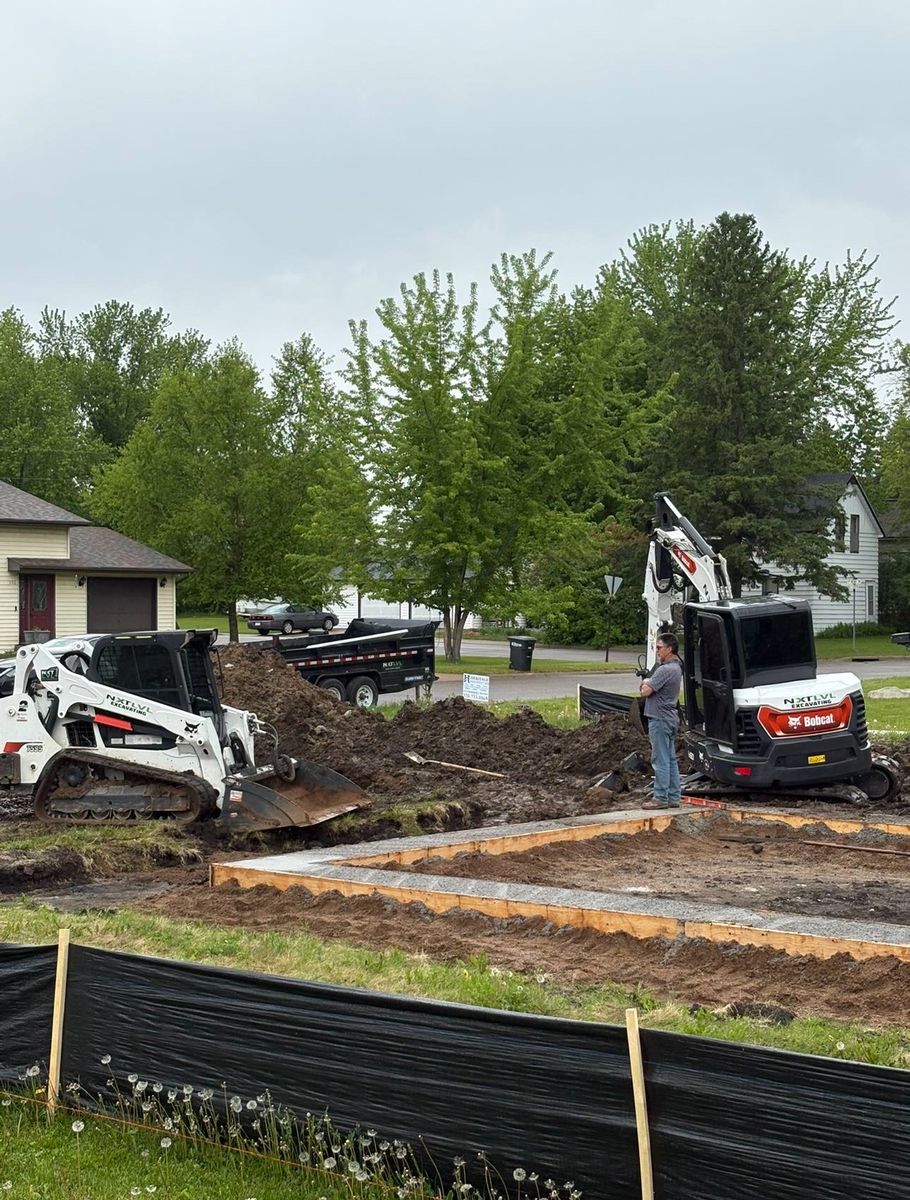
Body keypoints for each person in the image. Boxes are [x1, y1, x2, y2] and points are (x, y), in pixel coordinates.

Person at [639, 633, 683, 809]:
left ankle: (660, 798)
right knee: (670, 759)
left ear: (669, 649)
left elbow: (645, 691)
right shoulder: (676, 668)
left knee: (660, 760)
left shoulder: (664, 670)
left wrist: (647, 681)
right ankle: (673, 797)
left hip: (660, 720)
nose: (657, 651)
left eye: (659, 648)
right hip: (670, 719)